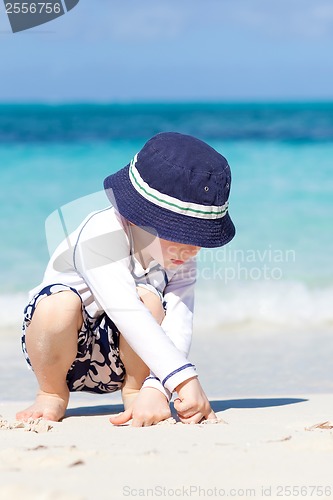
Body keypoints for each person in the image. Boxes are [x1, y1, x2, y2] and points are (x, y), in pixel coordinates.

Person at [16, 132, 235, 427]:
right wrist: (184, 380)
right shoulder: (101, 233)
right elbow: (124, 309)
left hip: (127, 361)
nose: (192, 248)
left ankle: (135, 391)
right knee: (59, 304)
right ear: (139, 217)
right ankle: (51, 393)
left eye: (198, 238)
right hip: (59, 349)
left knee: (151, 301)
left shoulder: (180, 256)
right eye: (183, 234)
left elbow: (179, 321)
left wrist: (158, 387)